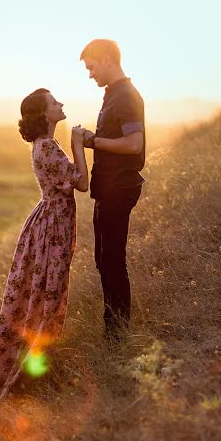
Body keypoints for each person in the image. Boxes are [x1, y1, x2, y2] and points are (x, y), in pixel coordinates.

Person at [0, 88, 88, 398]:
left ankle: (24, 374)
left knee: (40, 294)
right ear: (44, 114)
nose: (61, 103)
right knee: (48, 296)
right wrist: (79, 145)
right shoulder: (48, 146)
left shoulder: (46, 144)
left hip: (49, 221)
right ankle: (23, 382)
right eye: (54, 102)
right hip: (53, 228)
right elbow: (82, 183)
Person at [79, 39, 145, 338]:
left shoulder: (126, 96)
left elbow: (134, 144)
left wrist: (93, 141)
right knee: (103, 260)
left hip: (119, 188)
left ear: (106, 60)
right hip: (107, 189)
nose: (90, 74)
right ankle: (114, 332)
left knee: (112, 262)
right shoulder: (113, 94)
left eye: (91, 67)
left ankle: (117, 337)